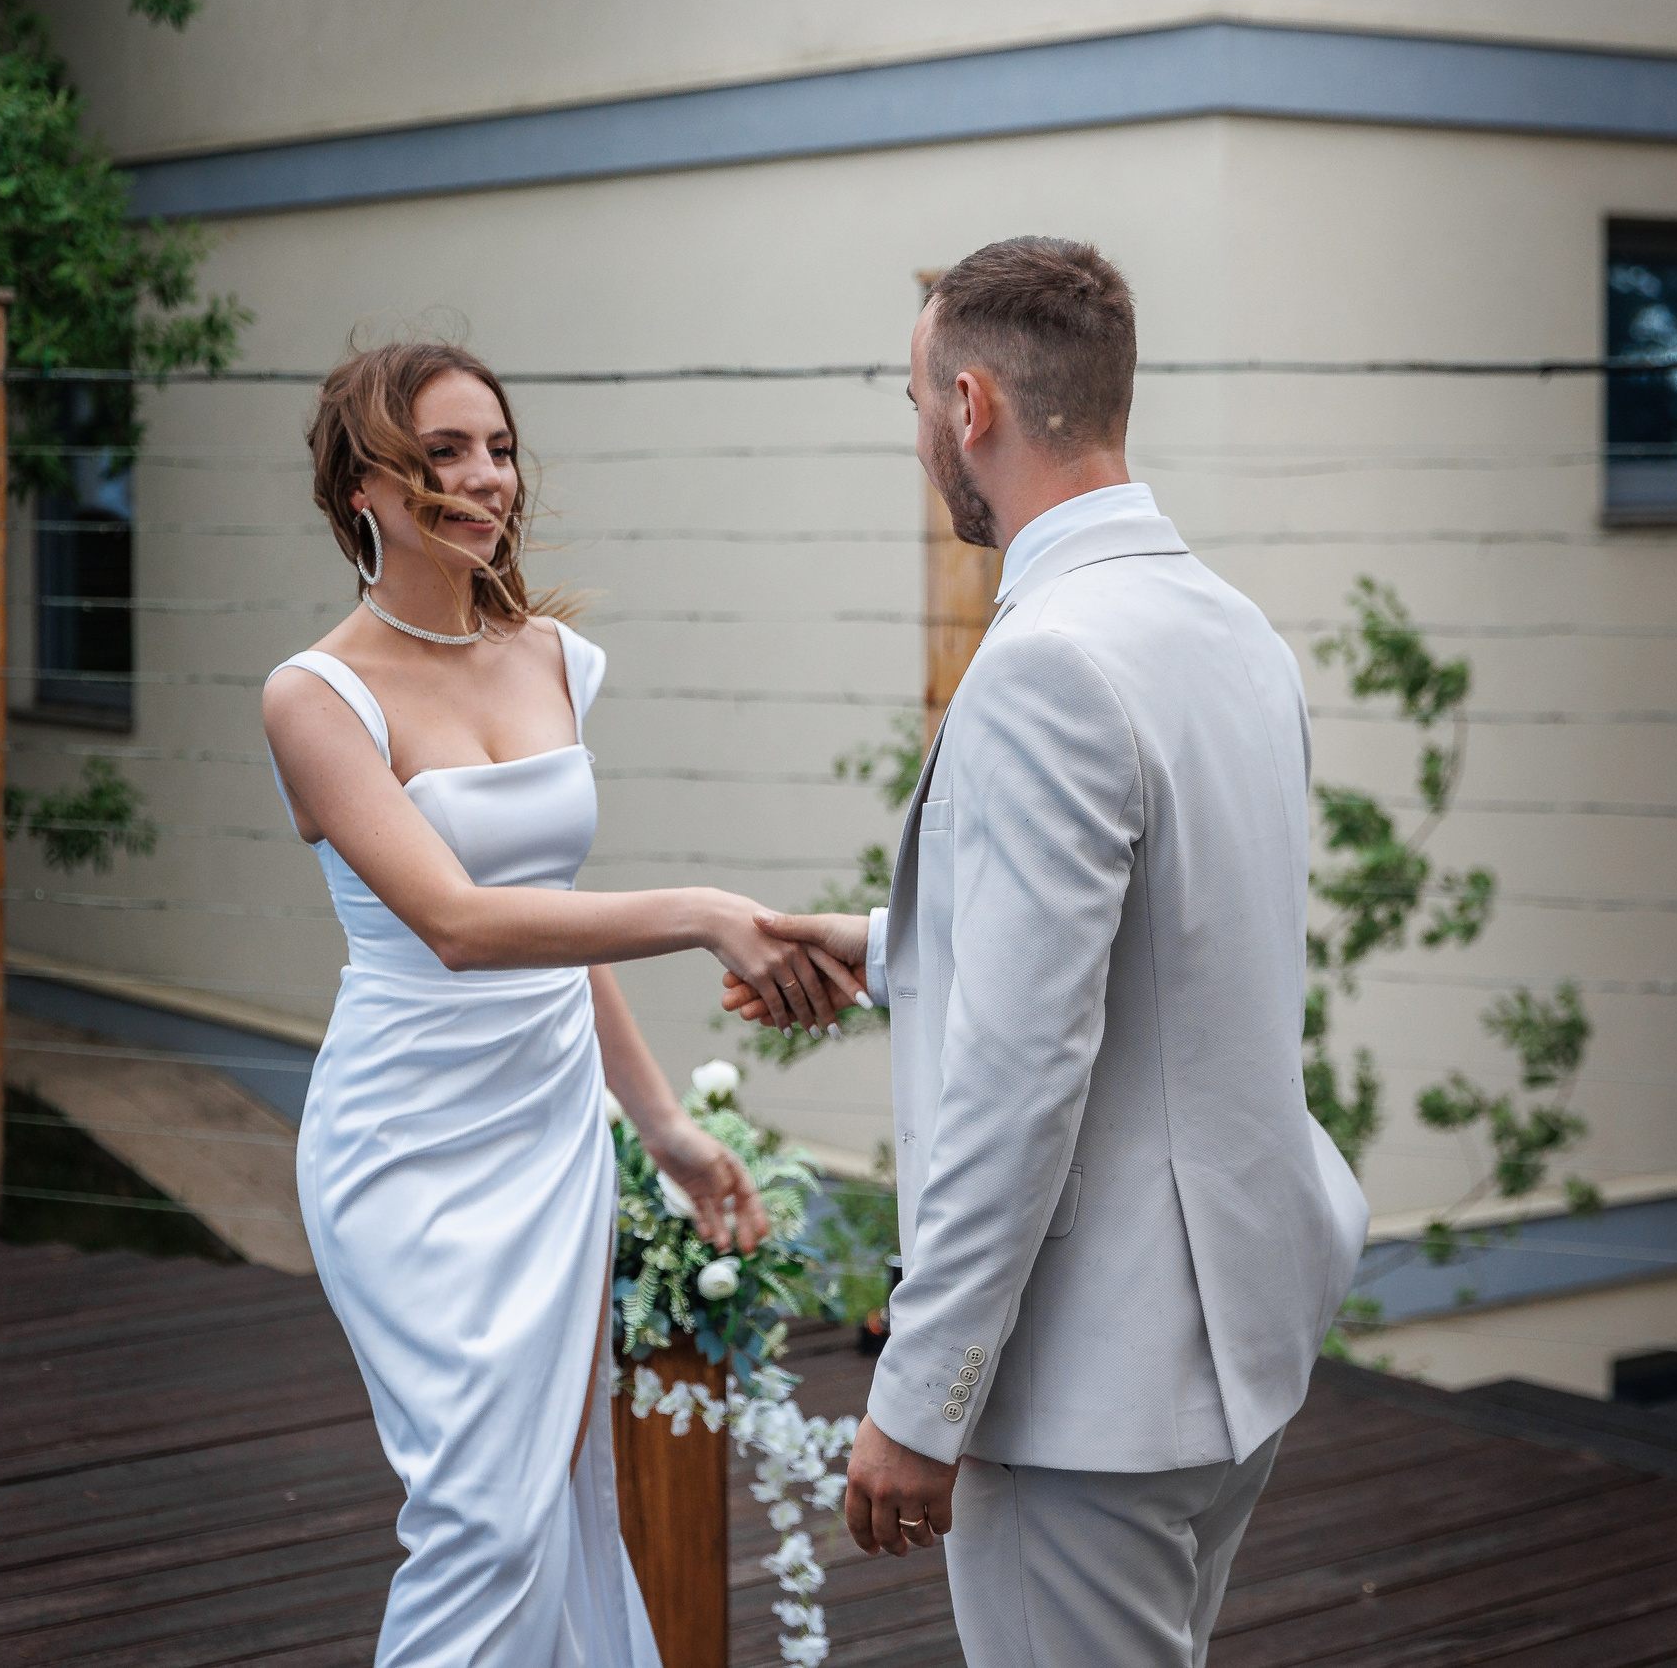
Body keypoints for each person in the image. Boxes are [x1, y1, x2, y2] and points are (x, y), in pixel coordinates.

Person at [729, 239, 1372, 1666]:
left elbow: (1024, 1067)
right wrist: (896, 944)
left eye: (913, 404)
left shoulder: (1044, 665)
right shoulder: (1232, 630)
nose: (917, 443)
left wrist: (922, 1393)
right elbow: (1173, 940)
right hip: (1235, 1339)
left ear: (971, 408)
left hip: (1093, 1378)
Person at [261, 341, 856, 1666]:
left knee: (556, 1502)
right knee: (481, 1513)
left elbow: (555, 919)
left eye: (499, 448)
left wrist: (665, 1133)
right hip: (405, 1146)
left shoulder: (553, 662)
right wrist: (703, 911)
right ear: (362, 484)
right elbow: (465, 926)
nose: (485, 479)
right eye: (443, 454)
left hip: (549, 1137)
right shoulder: (314, 697)